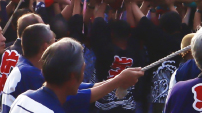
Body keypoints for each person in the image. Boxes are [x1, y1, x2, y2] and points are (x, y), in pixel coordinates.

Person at [12, 39, 146, 113]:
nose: (83, 77)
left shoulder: (23, 98)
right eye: (82, 72)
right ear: (72, 77)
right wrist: (119, 80)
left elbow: (87, 88)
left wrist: (120, 79)